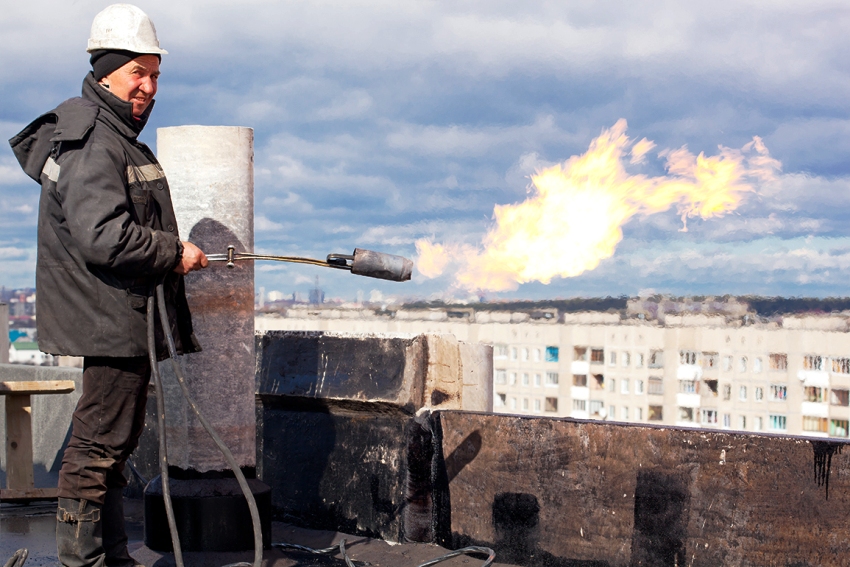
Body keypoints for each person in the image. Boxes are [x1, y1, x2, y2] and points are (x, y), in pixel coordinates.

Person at [9, 5, 207, 566]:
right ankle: (85, 562)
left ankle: (112, 557)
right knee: (96, 449)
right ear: (105, 74)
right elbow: (104, 236)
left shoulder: (110, 133)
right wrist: (174, 252)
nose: (148, 87)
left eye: (155, 75)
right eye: (136, 74)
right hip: (110, 317)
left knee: (109, 446)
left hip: (117, 315)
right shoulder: (96, 138)